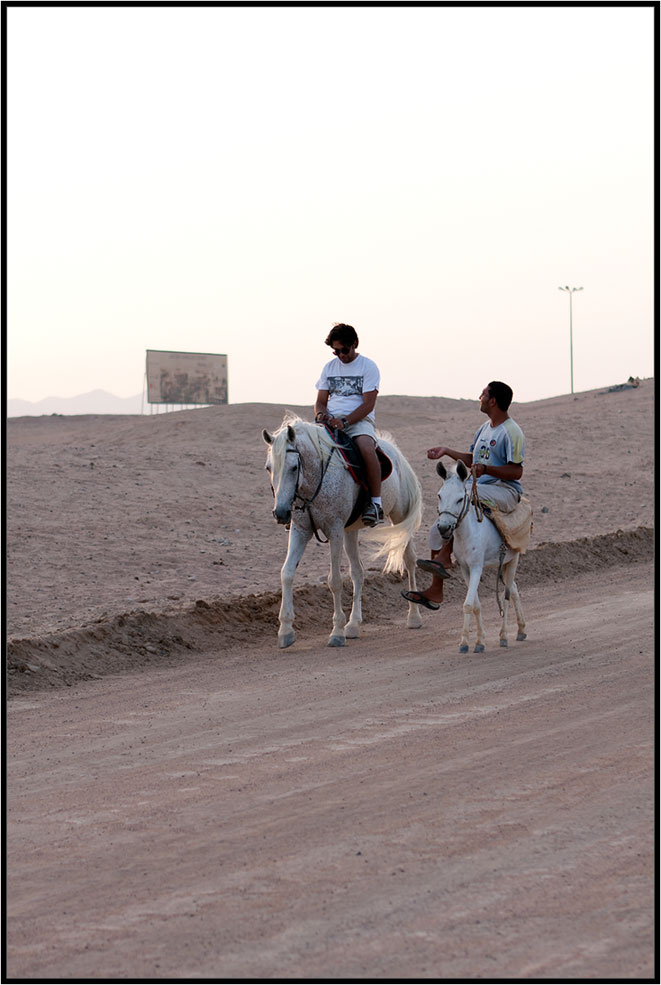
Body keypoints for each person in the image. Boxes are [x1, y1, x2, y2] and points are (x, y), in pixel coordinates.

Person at [404, 380, 525, 610]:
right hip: (478, 486)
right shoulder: (484, 428)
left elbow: (517, 471)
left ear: (493, 401)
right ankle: (436, 587)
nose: (479, 397)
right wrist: (447, 451)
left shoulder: (511, 432)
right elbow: (472, 459)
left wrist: (487, 470)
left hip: (504, 490)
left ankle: (444, 555)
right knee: (444, 515)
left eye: (483, 394)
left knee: (465, 496)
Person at [314, 323, 384, 526]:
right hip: (330, 422)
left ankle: (375, 504)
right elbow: (320, 401)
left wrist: (345, 422)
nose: (340, 355)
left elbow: (369, 403)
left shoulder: (368, 366)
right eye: (336, 351)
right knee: (301, 448)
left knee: (366, 448)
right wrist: (321, 414)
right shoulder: (329, 367)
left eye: (344, 350)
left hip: (358, 421)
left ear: (355, 344)